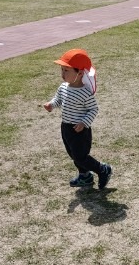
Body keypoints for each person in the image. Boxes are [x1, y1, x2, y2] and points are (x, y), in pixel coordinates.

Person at [43, 48, 113, 189]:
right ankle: (84, 176)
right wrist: (51, 104)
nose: (63, 74)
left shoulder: (85, 92)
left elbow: (93, 109)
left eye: (66, 71)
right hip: (66, 127)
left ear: (80, 73)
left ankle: (103, 169)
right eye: (62, 70)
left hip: (80, 130)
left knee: (80, 156)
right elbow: (58, 99)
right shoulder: (63, 87)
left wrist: (84, 122)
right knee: (72, 154)